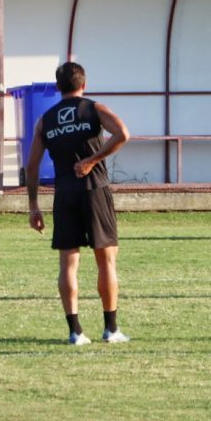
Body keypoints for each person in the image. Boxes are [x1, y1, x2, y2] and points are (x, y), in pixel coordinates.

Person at [26, 62, 132, 345]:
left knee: (68, 264)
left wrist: (34, 206)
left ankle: (75, 332)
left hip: (65, 194)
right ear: (83, 84)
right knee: (106, 260)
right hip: (94, 190)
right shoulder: (93, 108)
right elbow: (122, 133)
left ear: (58, 87)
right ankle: (111, 330)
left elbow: (32, 167)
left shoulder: (45, 120)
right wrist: (92, 160)